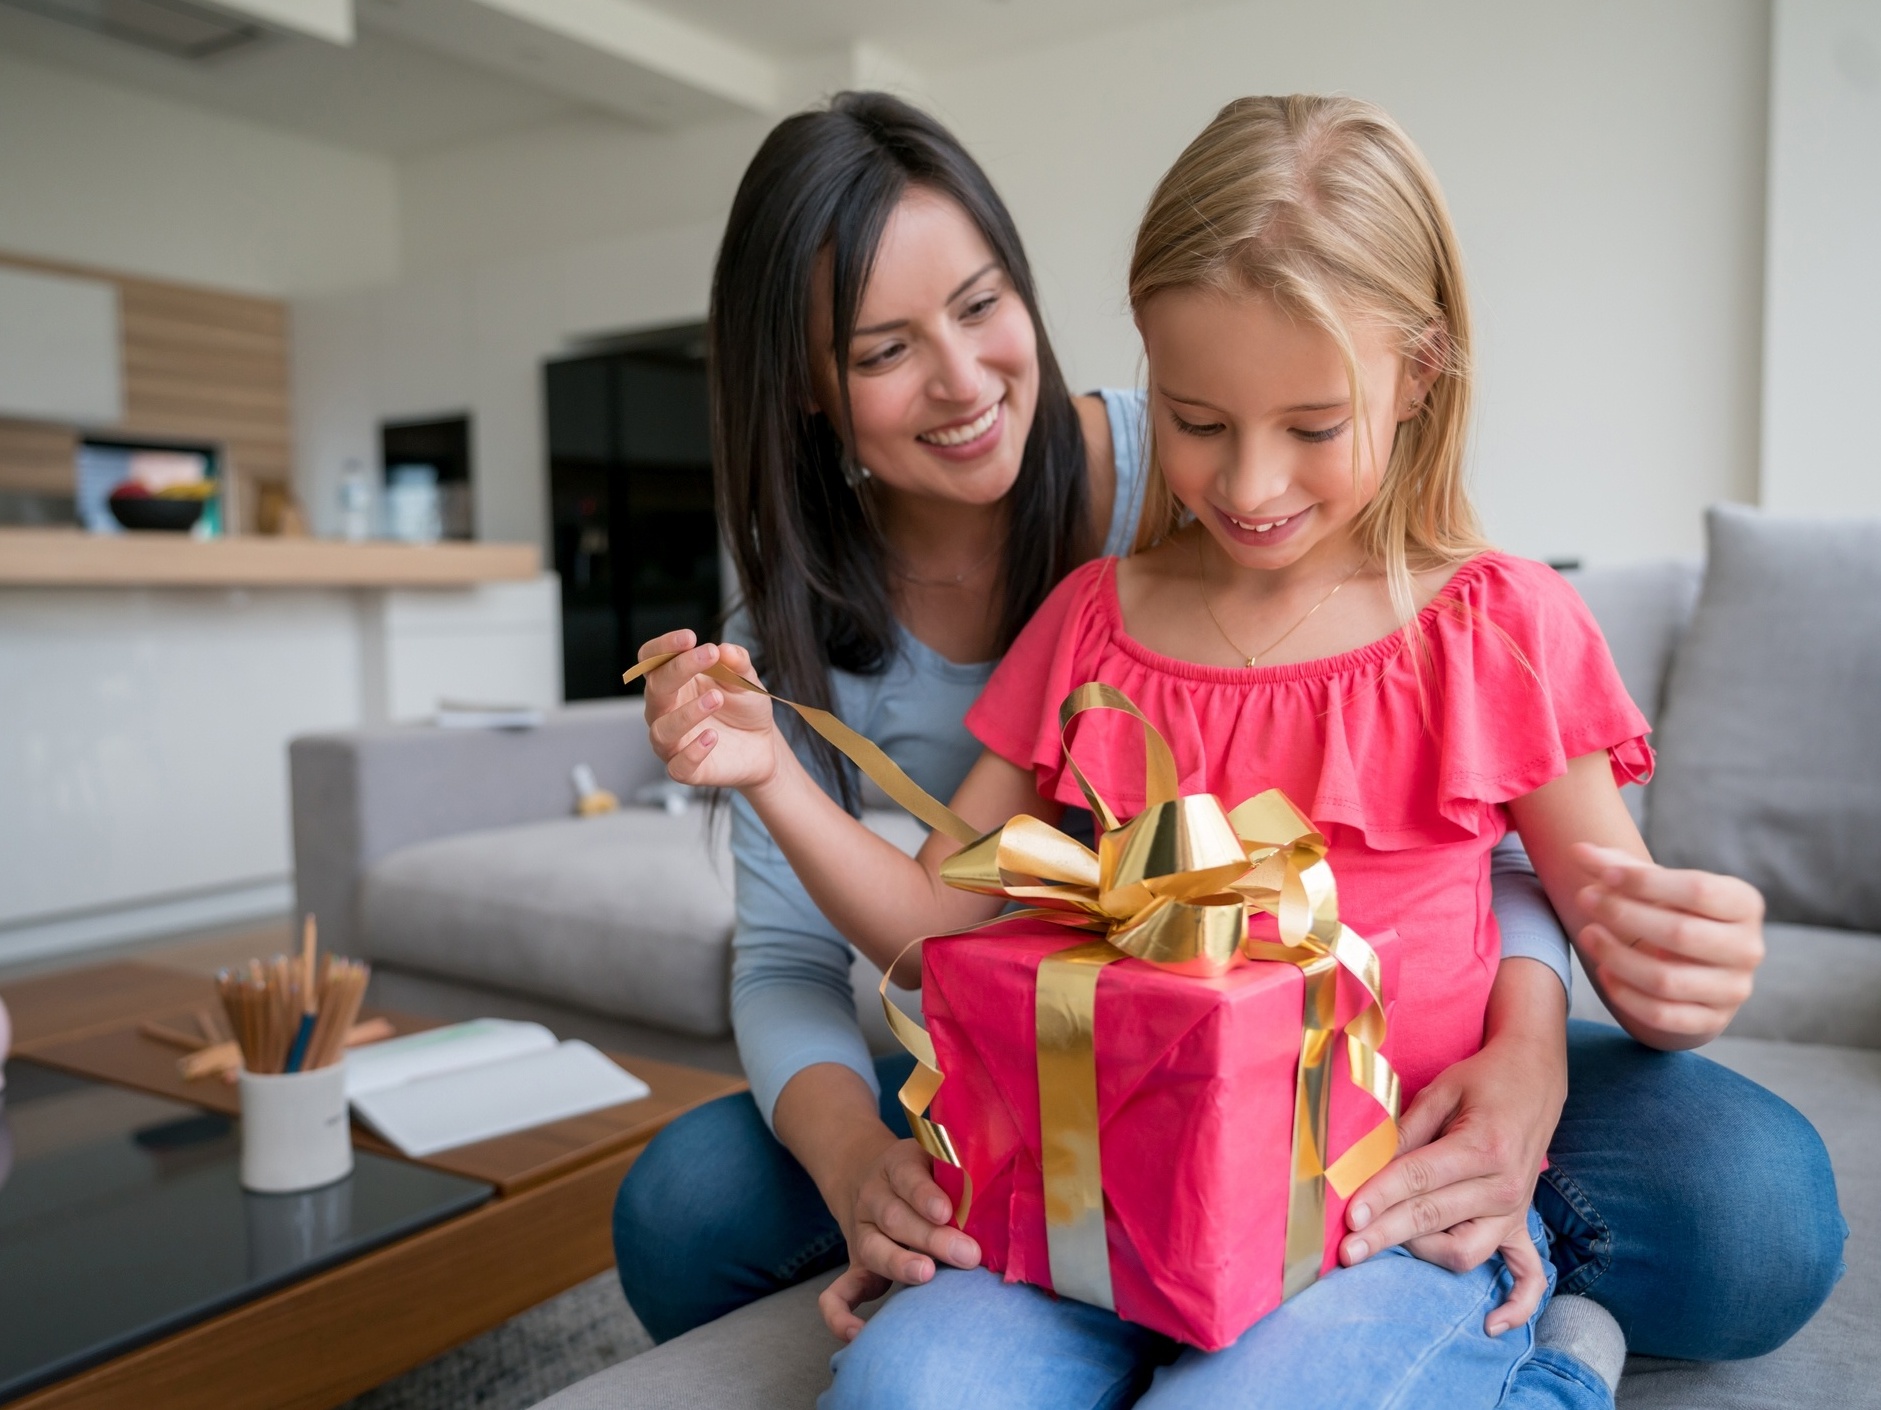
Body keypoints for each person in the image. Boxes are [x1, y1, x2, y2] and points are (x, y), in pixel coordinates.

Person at [615, 92, 1843, 1396]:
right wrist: (768, 774)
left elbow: (1600, 910)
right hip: (1111, 1175)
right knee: (898, 1386)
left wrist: (1665, 974)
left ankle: (1547, 1366)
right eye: (1196, 424)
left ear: (1416, 374)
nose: (1249, 488)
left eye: (1310, 430)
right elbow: (936, 920)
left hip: (1373, 1202)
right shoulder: (1091, 619)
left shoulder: (1499, 619)